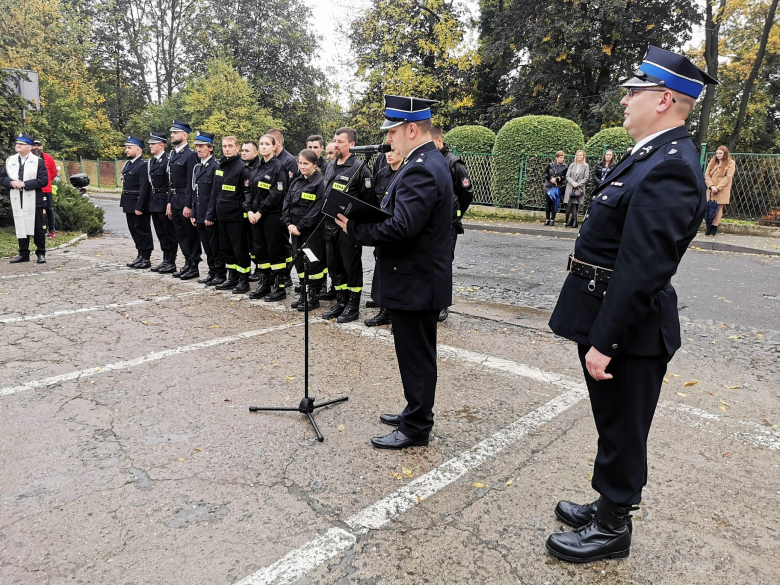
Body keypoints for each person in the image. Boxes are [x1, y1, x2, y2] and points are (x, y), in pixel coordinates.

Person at [546, 45, 716, 563]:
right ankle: (606, 505)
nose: (625, 100)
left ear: (664, 99)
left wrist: (606, 341)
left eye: (634, 91)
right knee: (612, 422)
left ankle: (614, 527)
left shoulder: (672, 166)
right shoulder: (649, 154)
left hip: (629, 329)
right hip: (606, 313)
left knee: (623, 427)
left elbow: (644, 267)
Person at [336, 94, 453, 450]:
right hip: (417, 279)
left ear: (412, 129)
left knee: (416, 357)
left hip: (415, 281)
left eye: (393, 132)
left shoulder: (420, 166)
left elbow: (402, 227)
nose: (389, 139)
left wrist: (355, 230)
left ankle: (417, 427)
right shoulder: (426, 161)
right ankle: (414, 412)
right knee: (416, 355)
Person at [321, 127, 373, 323]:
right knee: (334, 265)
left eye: (340, 141)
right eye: (334, 140)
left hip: (347, 227)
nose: (335, 144)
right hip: (329, 224)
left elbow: (367, 202)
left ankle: (353, 305)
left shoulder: (360, 168)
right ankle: (341, 301)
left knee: (351, 266)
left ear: (352, 144)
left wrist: (356, 224)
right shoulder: (330, 165)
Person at [431, 125, 474, 321]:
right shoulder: (429, 160)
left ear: (439, 141)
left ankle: (442, 305)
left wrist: (455, 212)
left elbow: (466, 193)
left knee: (443, 263)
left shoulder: (454, 164)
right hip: (430, 221)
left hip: (448, 222)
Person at [282, 149, 329, 310]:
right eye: (300, 163)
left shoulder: (320, 183)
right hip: (294, 229)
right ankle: (304, 294)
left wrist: (300, 227)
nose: (302, 167)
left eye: (306, 164)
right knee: (300, 262)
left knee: (313, 264)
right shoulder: (296, 181)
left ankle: (313, 297)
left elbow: (316, 210)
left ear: (315, 165)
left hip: (311, 232)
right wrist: (288, 223)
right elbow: (286, 203)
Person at [363, 144, 403, 328]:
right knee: (381, 267)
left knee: (397, 273)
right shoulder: (381, 174)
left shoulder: (406, 174)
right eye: (387, 151)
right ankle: (384, 310)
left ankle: (397, 315)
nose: (388, 155)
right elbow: (373, 202)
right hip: (381, 229)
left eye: (393, 151)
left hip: (397, 230)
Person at [207, 136, 253, 293]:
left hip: (237, 217)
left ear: (237, 148)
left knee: (239, 249)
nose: (227, 149)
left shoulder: (242, 169)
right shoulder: (220, 167)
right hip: (222, 216)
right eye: (224, 146)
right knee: (226, 249)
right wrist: (211, 213)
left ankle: (243, 280)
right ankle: (232, 278)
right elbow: (215, 192)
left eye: (230, 146)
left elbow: (248, 194)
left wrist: (246, 213)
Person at [246, 134, 289, 301]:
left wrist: (260, 211)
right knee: (260, 251)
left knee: (275, 251)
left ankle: (279, 288)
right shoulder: (256, 168)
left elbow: (276, 194)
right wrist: (249, 210)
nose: (263, 147)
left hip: (272, 216)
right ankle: (264, 285)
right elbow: (249, 191)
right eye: (261, 144)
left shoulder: (279, 167)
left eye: (267, 144)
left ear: (273, 147)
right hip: (255, 217)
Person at [0, 134, 48, 263]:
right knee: (20, 225)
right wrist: (11, 183)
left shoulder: (38, 161)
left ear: (29, 147)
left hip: (34, 199)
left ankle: (41, 253)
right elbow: (2, 177)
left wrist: (25, 184)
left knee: (38, 227)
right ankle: (23, 253)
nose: (18, 145)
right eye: (17, 143)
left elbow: (43, 181)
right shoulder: (11, 160)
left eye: (21, 144)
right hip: (17, 198)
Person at [167, 119, 202, 279]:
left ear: (185, 135)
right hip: (175, 199)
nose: (172, 135)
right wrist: (169, 201)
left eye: (175, 132)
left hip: (185, 200)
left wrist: (188, 205)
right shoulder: (174, 154)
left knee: (190, 234)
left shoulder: (191, 155)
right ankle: (187, 262)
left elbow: (192, 183)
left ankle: (193, 265)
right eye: (172, 132)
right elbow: (170, 180)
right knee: (180, 234)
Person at [139, 132, 178, 273]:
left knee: (169, 233)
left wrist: (170, 202)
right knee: (161, 233)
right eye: (150, 143)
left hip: (165, 200)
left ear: (162, 145)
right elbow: (150, 184)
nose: (150, 146)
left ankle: (171, 261)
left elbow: (170, 183)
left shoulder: (168, 161)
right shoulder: (151, 162)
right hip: (155, 201)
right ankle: (165, 259)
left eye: (153, 144)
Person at [190, 131, 225, 286]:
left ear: (210, 148)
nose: (199, 149)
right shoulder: (198, 167)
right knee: (207, 246)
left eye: (202, 146)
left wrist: (210, 216)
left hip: (210, 216)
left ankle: (220, 273)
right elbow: (195, 192)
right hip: (199, 214)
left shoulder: (215, 167)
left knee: (214, 246)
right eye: (197, 146)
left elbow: (215, 194)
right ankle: (212, 272)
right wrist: (193, 212)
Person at [119, 135, 153, 269]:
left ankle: (146, 257)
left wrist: (140, 206)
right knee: (134, 230)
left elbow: (144, 187)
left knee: (142, 230)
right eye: (126, 147)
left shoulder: (143, 165)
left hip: (138, 203)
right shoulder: (128, 164)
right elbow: (124, 185)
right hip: (129, 202)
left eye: (129, 148)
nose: (126, 150)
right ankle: (140, 255)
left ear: (138, 150)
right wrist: (122, 202)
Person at [241, 141, 262, 282]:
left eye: (247, 150)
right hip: (246, 211)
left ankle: (260, 269)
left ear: (255, 153)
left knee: (257, 243)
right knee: (249, 242)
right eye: (242, 150)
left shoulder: (257, 168)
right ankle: (257, 267)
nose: (243, 152)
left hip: (257, 213)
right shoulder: (244, 167)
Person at [704, 145, 735, 236]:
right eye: (717, 153)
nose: (718, 155)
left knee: (719, 207)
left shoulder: (730, 162)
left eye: (720, 153)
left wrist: (718, 187)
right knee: (709, 207)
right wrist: (711, 186)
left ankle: (714, 227)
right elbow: (707, 175)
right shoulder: (713, 162)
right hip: (711, 188)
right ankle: (708, 225)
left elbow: (728, 177)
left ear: (725, 153)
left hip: (722, 188)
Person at [31, 139, 57, 238]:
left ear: (42, 147)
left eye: (38, 145)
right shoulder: (29, 158)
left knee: (49, 209)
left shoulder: (49, 158)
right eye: (34, 145)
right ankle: (37, 230)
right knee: (34, 210)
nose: (36, 147)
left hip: (46, 189)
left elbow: (54, 173)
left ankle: (52, 230)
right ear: (32, 147)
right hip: (33, 189)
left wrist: (47, 182)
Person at [563, 149, 589, 228]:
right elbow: (567, 176)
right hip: (570, 187)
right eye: (578, 155)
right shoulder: (572, 165)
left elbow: (586, 177)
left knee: (575, 204)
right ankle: (572, 220)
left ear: (583, 156)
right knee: (570, 203)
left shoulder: (586, 166)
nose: (579, 156)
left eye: (580, 155)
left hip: (579, 188)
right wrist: (573, 183)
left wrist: (578, 184)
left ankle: (575, 221)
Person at [543, 152, 567, 226]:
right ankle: (547, 219)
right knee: (548, 203)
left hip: (557, 187)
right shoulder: (550, 165)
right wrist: (551, 179)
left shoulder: (565, 167)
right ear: (556, 158)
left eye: (563, 158)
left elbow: (564, 177)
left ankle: (552, 219)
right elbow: (545, 174)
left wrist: (557, 179)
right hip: (549, 187)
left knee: (554, 203)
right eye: (560, 157)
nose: (562, 159)